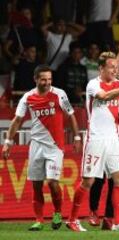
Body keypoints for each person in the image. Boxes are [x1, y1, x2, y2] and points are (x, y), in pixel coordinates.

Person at [66, 48, 119, 232]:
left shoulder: (118, 84)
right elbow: (104, 96)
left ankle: (118, 221)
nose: (114, 70)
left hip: (113, 140)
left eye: (115, 66)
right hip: (95, 139)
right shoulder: (93, 85)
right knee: (88, 182)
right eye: (110, 67)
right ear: (101, 68)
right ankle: (72, 219)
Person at [2, 64, 82, 231]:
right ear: (36, 79)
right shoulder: (27, 97)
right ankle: (39, 219)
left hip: (55, 146)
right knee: (36, 184)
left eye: (49, 79)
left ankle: (58, 212)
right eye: (44, 79)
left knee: (53, 182)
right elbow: (17, 121)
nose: (47, 82)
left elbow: (71, 116)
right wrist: (8, 142)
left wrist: (76, 137)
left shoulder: (60, 94)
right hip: (36, 146)